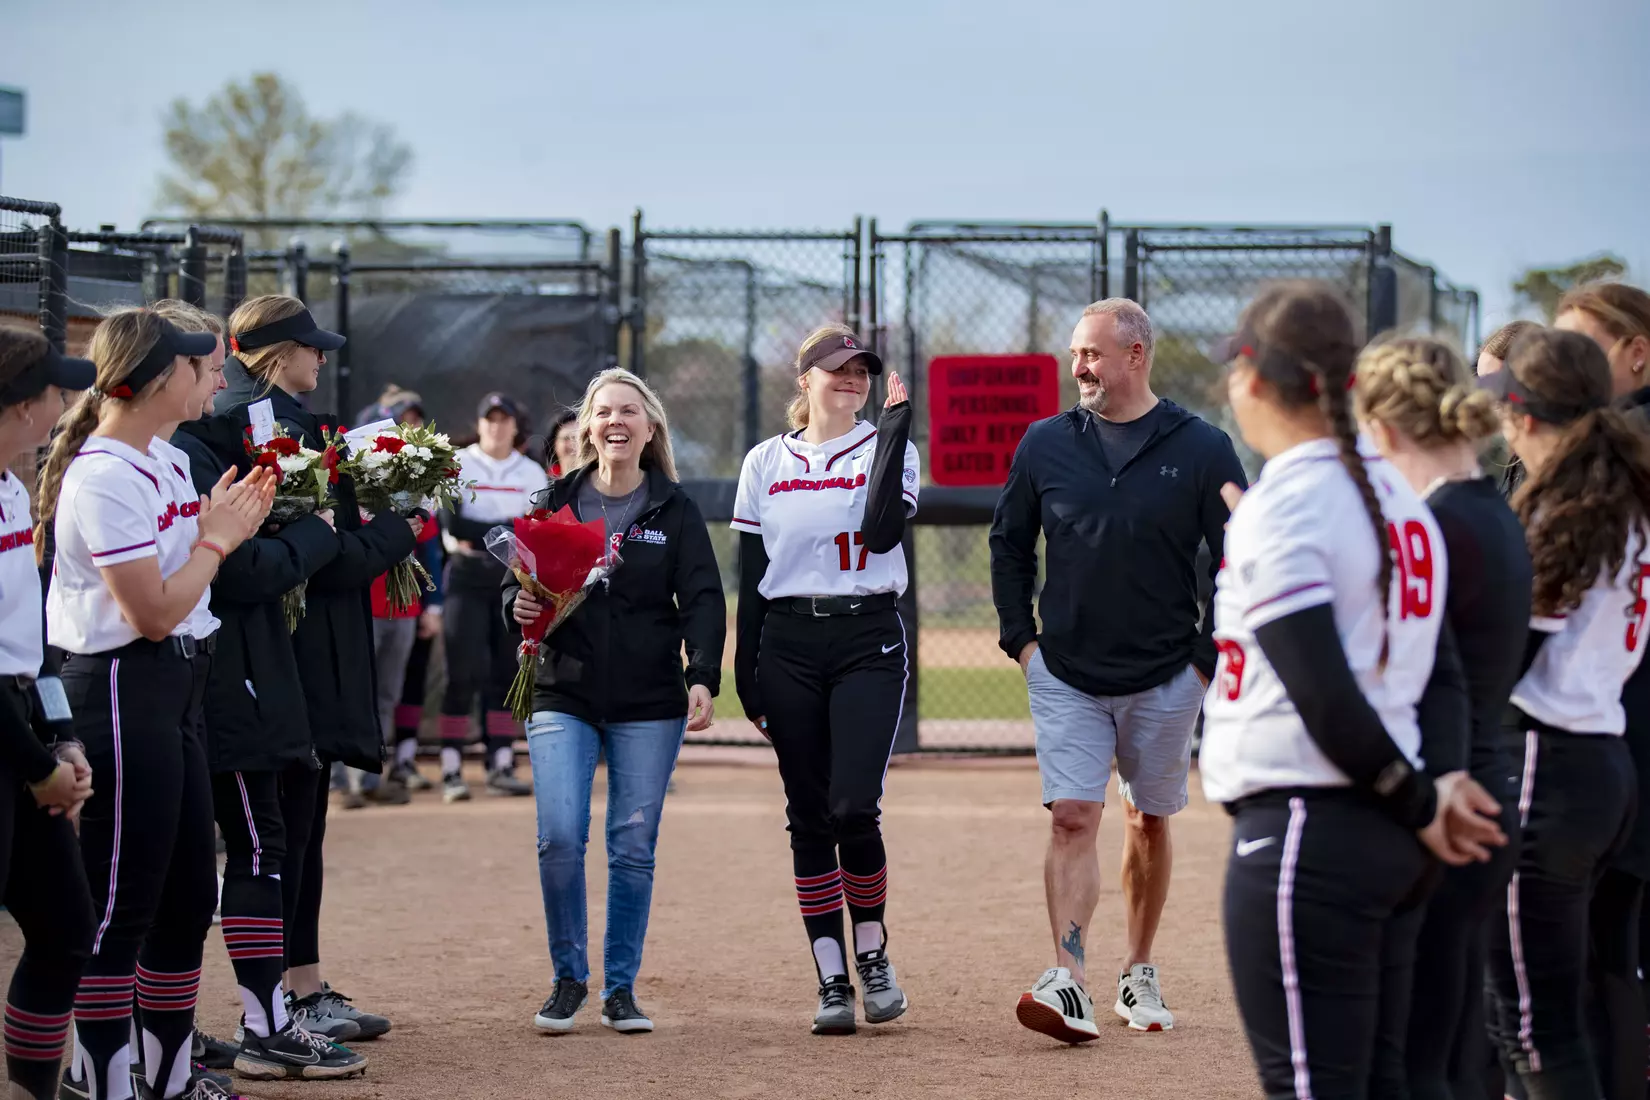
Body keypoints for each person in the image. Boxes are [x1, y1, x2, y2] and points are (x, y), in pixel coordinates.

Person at [1197, 282, 1504, 1098]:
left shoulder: (1291, 498)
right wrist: (1427, 795)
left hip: (1309, 828)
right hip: (1383, 838)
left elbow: (1323, 694)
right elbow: (1442, 680)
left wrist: (1418, 800)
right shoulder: (1403, 497)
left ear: (1254, 378)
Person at [990, 298, 1248, 1040]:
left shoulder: (1201, 446)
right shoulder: (1044, 443)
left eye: (1093, 354)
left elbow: (1241, 559)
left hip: (1168, 675)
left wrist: (1205, 661)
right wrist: (1023, 644)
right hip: (1065, 671)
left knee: (1147, 819)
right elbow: (1009, 543)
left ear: (1137, 355)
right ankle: (1069, 978)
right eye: (1076, 354)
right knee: (1073, 816)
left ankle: (1137, 969)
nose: (1080, 368)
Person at [38, 308, 273, 1100]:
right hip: (117, 687)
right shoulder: (103, 474)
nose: (211, 375)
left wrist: (219, 529)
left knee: (184, 898)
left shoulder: (164, 461)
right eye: (198, 365)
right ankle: (97, 1079)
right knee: (120, 901)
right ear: (157, 376)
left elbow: (183, 610)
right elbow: (152, 613)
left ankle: (167, 1082)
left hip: (176, 687)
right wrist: (218, 540)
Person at [161, 300, 366, 1082]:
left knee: (211, 857)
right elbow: (242, 570)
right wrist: (317, 530)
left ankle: (184, 1031)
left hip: (228, 662)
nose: (225, 379)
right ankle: (260, 1024)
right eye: (211, 367)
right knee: (241, 847)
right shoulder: (196, 445)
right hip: (202, 669)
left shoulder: (177, 450)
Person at [215, 294, 418, 1044]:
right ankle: (281, 1005)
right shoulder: (262, 426)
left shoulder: (283, 421)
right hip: (281, 656)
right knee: (283, 833)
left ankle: (301, 987)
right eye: (309, 347)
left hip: (285, 653)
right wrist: (403, 526)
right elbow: (325, 554)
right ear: (271, 351)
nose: (322, 358)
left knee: (299, 827)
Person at [506, 368, 724, 1036]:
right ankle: (569, 980)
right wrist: (515, 605)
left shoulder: (675, 510)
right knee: (560, 836)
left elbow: (706, 598)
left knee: (632, 844)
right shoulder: (555, 498)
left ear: (649, 427)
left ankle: (620, 989)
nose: (616, 422)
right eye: (604, 412)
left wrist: (703, 674)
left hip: (649, 700)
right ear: (588, 427)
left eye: (629, 410)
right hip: (562, 690)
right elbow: (522, 581)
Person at [1353, 334, 1534, 1100]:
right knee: (1453, 1052)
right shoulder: (1490, 510)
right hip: (1479, 788)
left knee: (1417, 1061)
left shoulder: (1440, 527)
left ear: (1387, 427)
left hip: (1445, 802)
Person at [1476, 327, 1650, 1100]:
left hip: (1547, 764)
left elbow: (1503, 661)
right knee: (1550, 1007)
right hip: (1600, 761)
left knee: (1530, 1023)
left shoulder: (1565, 512)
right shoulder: (1624, 495)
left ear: (1523, 413)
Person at [728, 326, 917, 1036]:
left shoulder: (889, 445)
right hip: (788, 644)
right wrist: (745, 672)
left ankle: (873, 954)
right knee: (807, 814)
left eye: (862, 368)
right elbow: (750, 576)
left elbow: (880, 535)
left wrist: (893, 433)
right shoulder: (763, 461)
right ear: (804, 378)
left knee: (851, 806)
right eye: (836, 368)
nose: (852, 378)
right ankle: (831, 976)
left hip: (867, 635)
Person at [1552, 281, 1650, 1098]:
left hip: (1615, 725)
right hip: (1619, 727)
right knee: (1612, 952)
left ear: (1634, 353)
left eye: (1579, 347)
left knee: (1598, 953)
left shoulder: (1617, 449)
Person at [0, 327, 97, 1100]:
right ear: (20, 405)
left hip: (24, 727)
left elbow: (30, 645)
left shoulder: (12, 486)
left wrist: (60, 736)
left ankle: (37, 1087)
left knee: (66, 928)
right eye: (53, 393)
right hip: (6, 744)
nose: (62, 405)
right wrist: (37, 769)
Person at [438, 391, 547, 802]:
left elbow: (531, 530)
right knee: (460, 672)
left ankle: (501, 761)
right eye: (490, 419)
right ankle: (451, 767)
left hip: (512, 581)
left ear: (516, 427)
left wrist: (481, 531)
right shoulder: (459, 463)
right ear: (479, 423)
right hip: (465, 579)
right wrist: (504, 529)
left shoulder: (531, 472)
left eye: (504, 419)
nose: (496, 426)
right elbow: (453, 522)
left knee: (505, 671)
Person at [349, 388, 438, 805]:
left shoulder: (419, 488)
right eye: (404, 422)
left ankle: (369, 777)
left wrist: (432, 604)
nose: (413, 430)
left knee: (387, 693)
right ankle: (339, 779)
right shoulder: (352, 483)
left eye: (417, 422)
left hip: (403, 606)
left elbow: (431, 548)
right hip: (360, 602)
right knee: (352, 690)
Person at [545, 407, 580, 478]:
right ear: (554, 444)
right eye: (566, 438)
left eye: (577, 438)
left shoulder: (601, 482)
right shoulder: (541, 481)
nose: (572, 444)